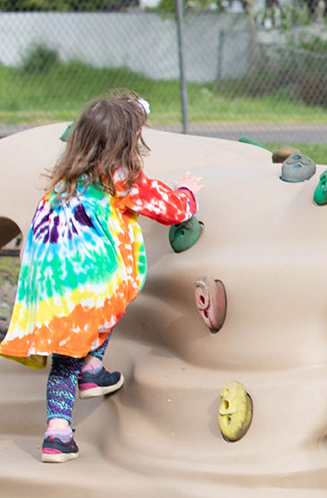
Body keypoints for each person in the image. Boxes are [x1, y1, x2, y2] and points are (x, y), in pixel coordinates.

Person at [1, 92, 201, 462]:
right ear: (126, 144)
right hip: (93, 283)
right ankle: (91, 368)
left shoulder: (63, 182)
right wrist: (188, 191)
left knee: (65, 358)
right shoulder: (120, 178)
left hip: (49, 288)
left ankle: (58, 433)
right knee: (111, 298)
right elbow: (170, 209)